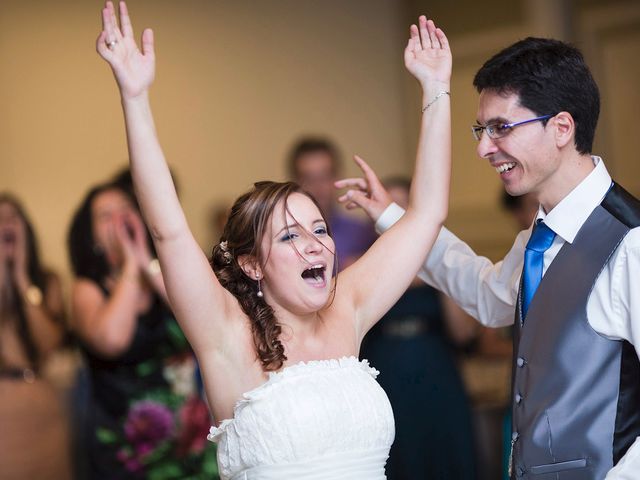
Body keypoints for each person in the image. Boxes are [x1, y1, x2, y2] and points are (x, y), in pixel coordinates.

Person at [96, 2, 451, 478]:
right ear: (252, 264)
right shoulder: (225, 335)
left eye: (320, 229)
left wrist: (436, 89)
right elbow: (169, 229)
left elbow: (426, 214)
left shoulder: (347, 310)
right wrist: (134, 97)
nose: (314, 244)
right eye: (289, 235)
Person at [337, 36, 640, 479]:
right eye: (482, 130)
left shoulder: (631, 244)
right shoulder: (539, 236)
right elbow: (486, 294)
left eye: (501, 127)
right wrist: (395, 218)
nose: (483, 148)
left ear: (561, 127)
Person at [68, 182, 216, 479]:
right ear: (92, 236)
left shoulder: (160, 271)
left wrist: (143, 257)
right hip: (128, 452)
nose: (119, 218)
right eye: (105, 215)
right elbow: (112, 340)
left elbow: (201, 315)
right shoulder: (87, 288)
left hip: (191, 442)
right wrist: (130, 268)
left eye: (125, 209)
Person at [361, 177, 477, 480]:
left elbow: (464, 333)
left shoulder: (442, 261)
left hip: (435, 369)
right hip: (386, 370)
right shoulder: (363, 264)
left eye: (403, 209)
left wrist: (436, 272)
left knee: (443, 452)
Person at [0, 193, 70, 479]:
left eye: (12, 218)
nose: (5, 224)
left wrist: (20, 277)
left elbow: (48, 343)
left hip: (43, 406)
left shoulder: (46, 281)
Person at [288, 137, 376, 269]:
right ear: (295, 182)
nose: (318, 186)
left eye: (325, 176)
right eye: (309, 178)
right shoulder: (285, 237)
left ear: (337, 177)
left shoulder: (362, 233)